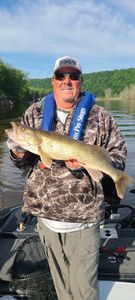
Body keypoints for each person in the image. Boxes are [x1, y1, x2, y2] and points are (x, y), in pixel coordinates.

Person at [7, 56, 127, 300]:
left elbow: (118, 154)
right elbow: (23, 162)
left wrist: (105, 168)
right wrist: (18, 150)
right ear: (53, 81)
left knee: (84, 291)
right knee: (62, 290)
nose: (67, 81)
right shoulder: (35, 113)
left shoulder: (101, 116)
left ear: (80, 81)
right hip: (47, 222)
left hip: (83, 221)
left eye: (73, 76)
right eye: (61, 76)